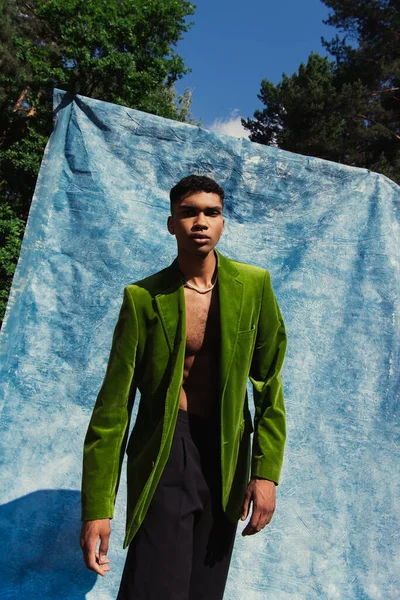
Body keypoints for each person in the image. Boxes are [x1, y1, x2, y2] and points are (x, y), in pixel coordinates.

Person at [80, 174, 287, 599]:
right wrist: (98, 509)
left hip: (227, 453)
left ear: (222, 223)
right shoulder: (142, 298)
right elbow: (113, 408)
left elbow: (269, 386)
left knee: (204, 588)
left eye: (211, 212)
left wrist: (265, 473)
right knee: (156, 584)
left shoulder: (254, 286)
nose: (200, 222)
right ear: (171, 223)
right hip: (167, 446)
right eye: (188, 212)